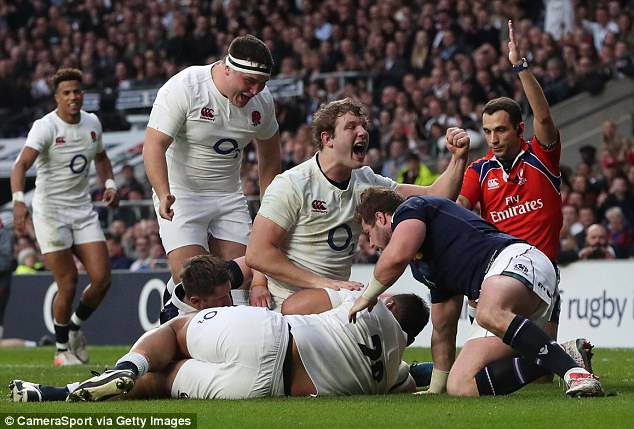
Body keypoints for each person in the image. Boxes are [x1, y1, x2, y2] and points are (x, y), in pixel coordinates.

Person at [348, 187, 604, 398]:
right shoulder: (423, 265)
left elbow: (395, 257)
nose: (370, 243)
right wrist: (437, 387)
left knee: (487, 311)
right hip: (504, 291)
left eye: (368, 232)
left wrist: (367, 295)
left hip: (518, 260)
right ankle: (564, 355)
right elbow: (443, 327)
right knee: (461, 385)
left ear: (381, 218)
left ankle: (575, 373)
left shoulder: (410, 208)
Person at [246, 98, 470, 312]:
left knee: (406, 314)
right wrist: (319, 282)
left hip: (335, 298)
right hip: (288, 303)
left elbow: (433, 195)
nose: (362, 132)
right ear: (327, 139)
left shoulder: (366, 181)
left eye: (363, 126)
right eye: (351, 127)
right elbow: (257, 253)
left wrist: (458, 159)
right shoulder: (293, 184)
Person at [10, 287, 429, 401]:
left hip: (269, 334)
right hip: (263, 390)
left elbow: (297, 306)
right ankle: (59, 394)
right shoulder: (393, 376)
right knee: (164, 384)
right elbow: (423, 377)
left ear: (388, 301)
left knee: (174, 333)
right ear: (408, 339)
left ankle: (122, 369)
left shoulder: (364, 302)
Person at [456, 20, 564, 384]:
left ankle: (557, 355)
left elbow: (545, 117)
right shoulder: (479, 170)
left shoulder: (541, 158)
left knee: (538, 374)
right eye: (487, 132)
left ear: (519, 129)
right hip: (499, 277)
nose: (493, 138)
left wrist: (520, 66)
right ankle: (567, 354)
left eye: (500, 130)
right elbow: (458, 213)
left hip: (541, 274)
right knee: (535, 374)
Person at [142, 34, 281, 308]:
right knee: (194, 286)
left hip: (228, 196)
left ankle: (175, 307)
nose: (255, 91)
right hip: (181, 195)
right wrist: (163, 192)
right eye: (249, 82)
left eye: (262, 84)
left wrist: (270, 207)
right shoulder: (186, 86)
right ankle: (175, 316)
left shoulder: (262, 103)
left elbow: (270, 157)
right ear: (227, 68)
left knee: (237, 289)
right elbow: (154, 146)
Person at [10, 68, 119, 366]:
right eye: (66, 93)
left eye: (77, 91)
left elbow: (101, 157)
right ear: (57, 97)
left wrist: (109, 184)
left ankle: (73, 327)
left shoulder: (92, 123)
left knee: (102, 279)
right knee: (68, 282)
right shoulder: (45, 127)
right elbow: (20, 166)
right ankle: (61, 351)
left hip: (82, 209)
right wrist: (19, 202)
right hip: (51, 212)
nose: (73, 97)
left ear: (83, 93)